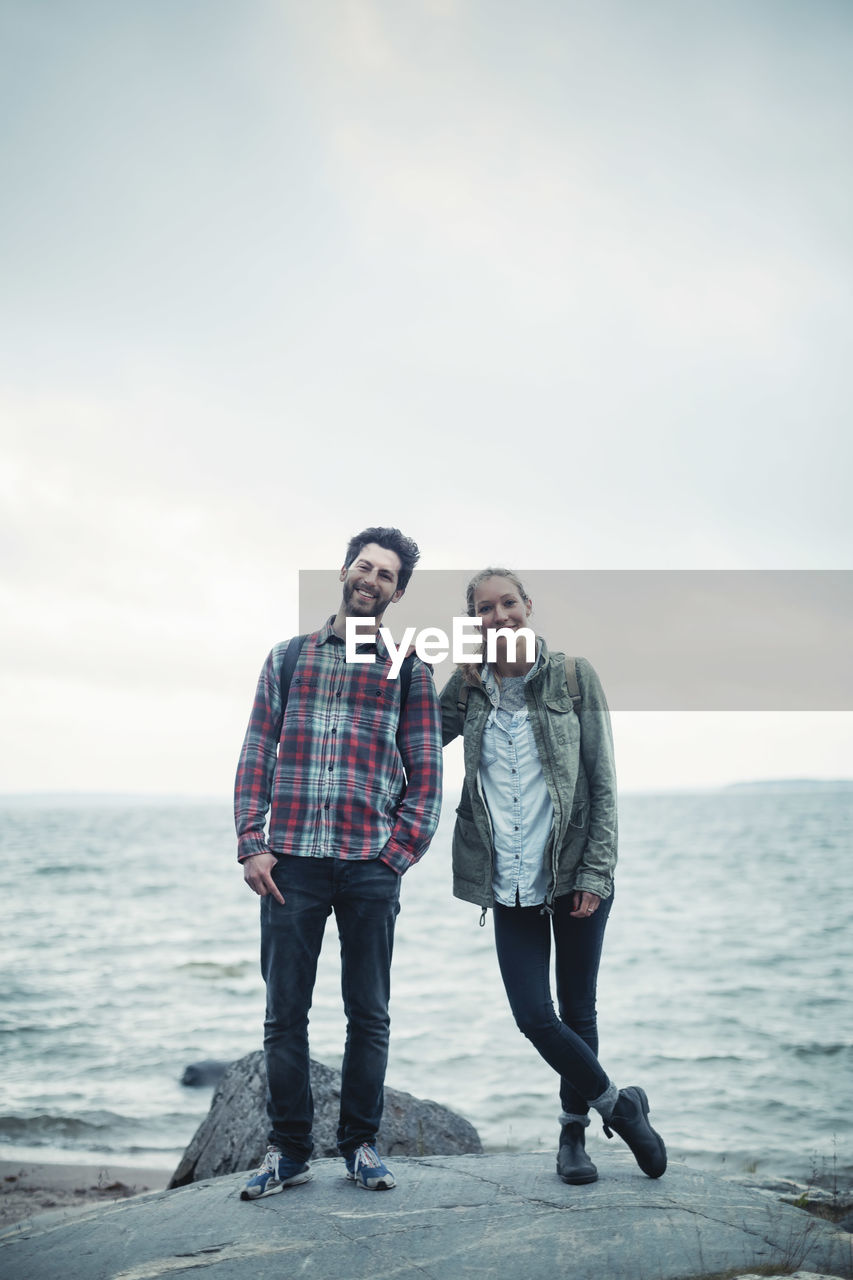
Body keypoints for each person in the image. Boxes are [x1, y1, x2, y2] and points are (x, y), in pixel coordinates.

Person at [235, 527, 443, 1199]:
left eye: (385, 574)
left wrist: (395, 857)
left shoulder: (408, 668)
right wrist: (252, 840)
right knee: (283, 1015)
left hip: (367, 867)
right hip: (289, 863)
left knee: (368, 1013)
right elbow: (256, 752)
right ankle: (288, 1153)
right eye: (364, 566)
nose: (371, 580)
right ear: (344, 572)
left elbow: (427, 773)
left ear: (397, 591)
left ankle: (359, 1146)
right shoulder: (288, 659)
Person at [439, 568, 666, 1184]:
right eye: (485, 609)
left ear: (528, 606)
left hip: (574, 874)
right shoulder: (465, 690)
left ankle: (573, 1139)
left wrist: (598, 870)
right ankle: (623, 1107)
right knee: (535, 1016)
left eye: (508, 602)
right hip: (508, 881)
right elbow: (412, 740)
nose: (500, 615)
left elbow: (603, 779)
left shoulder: (572, 675)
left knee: (578, 1008)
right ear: (474, 621)